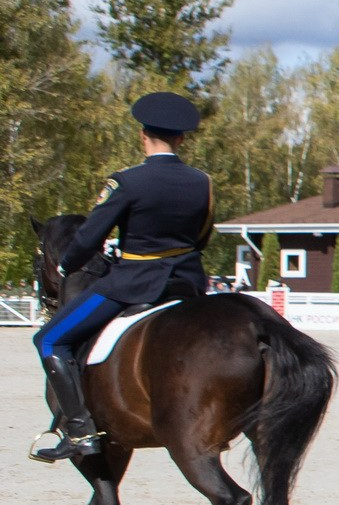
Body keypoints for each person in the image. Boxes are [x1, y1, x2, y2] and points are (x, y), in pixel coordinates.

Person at [33, 92, 215, 463]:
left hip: (134, 283)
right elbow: (203, 236)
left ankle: (80, 430)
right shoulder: (202, 182)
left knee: (49, 339)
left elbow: (89, 237)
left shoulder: (127, 182)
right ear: (181, 138)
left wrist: (68, 265)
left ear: (142, 135)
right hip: (188, 283)